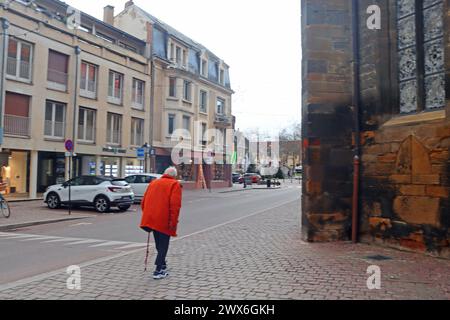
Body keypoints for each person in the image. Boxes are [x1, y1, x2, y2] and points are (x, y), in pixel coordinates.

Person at [140, 167, 182, 280]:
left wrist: (148, 215)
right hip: (164, 219)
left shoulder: (154, 183)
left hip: (151, 219)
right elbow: (175, 206)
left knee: (159, 244)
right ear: (174, 176)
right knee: (163, 245)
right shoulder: (174, 184)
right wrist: (173, 222)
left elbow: (143, 202)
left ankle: (163, 265)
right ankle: (158, 270)